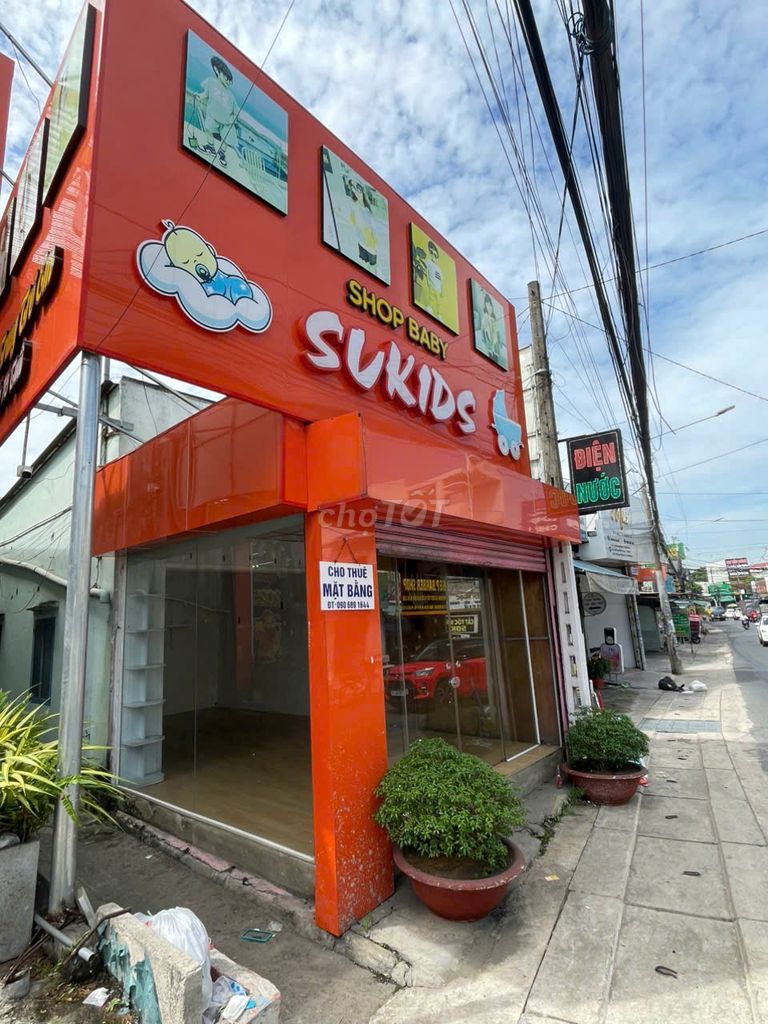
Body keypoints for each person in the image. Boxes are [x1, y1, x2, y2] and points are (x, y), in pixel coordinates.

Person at [197, 55, 238, 169]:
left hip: (226, 121)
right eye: (226, 78)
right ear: (217, 71)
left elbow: (236, 111)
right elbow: (205, 94)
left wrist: (232, 120)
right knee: (208, 127)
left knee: (228, 135)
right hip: (213, 115)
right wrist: (200, 96)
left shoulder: (231, 96)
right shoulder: (211, 82)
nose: (228, 82)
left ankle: (222, 153)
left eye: (230, 81)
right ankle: (211, 147)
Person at [347, 181, 378, 269]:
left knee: (373, 265)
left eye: (359, 190)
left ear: (362, 192)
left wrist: (374, 239)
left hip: (370, 241)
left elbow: (374, 226)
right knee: (362, 266)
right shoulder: (354, 205)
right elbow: (352, 221)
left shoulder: (367, 209)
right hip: (360, 239)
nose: (357, 193)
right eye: (355, 190)